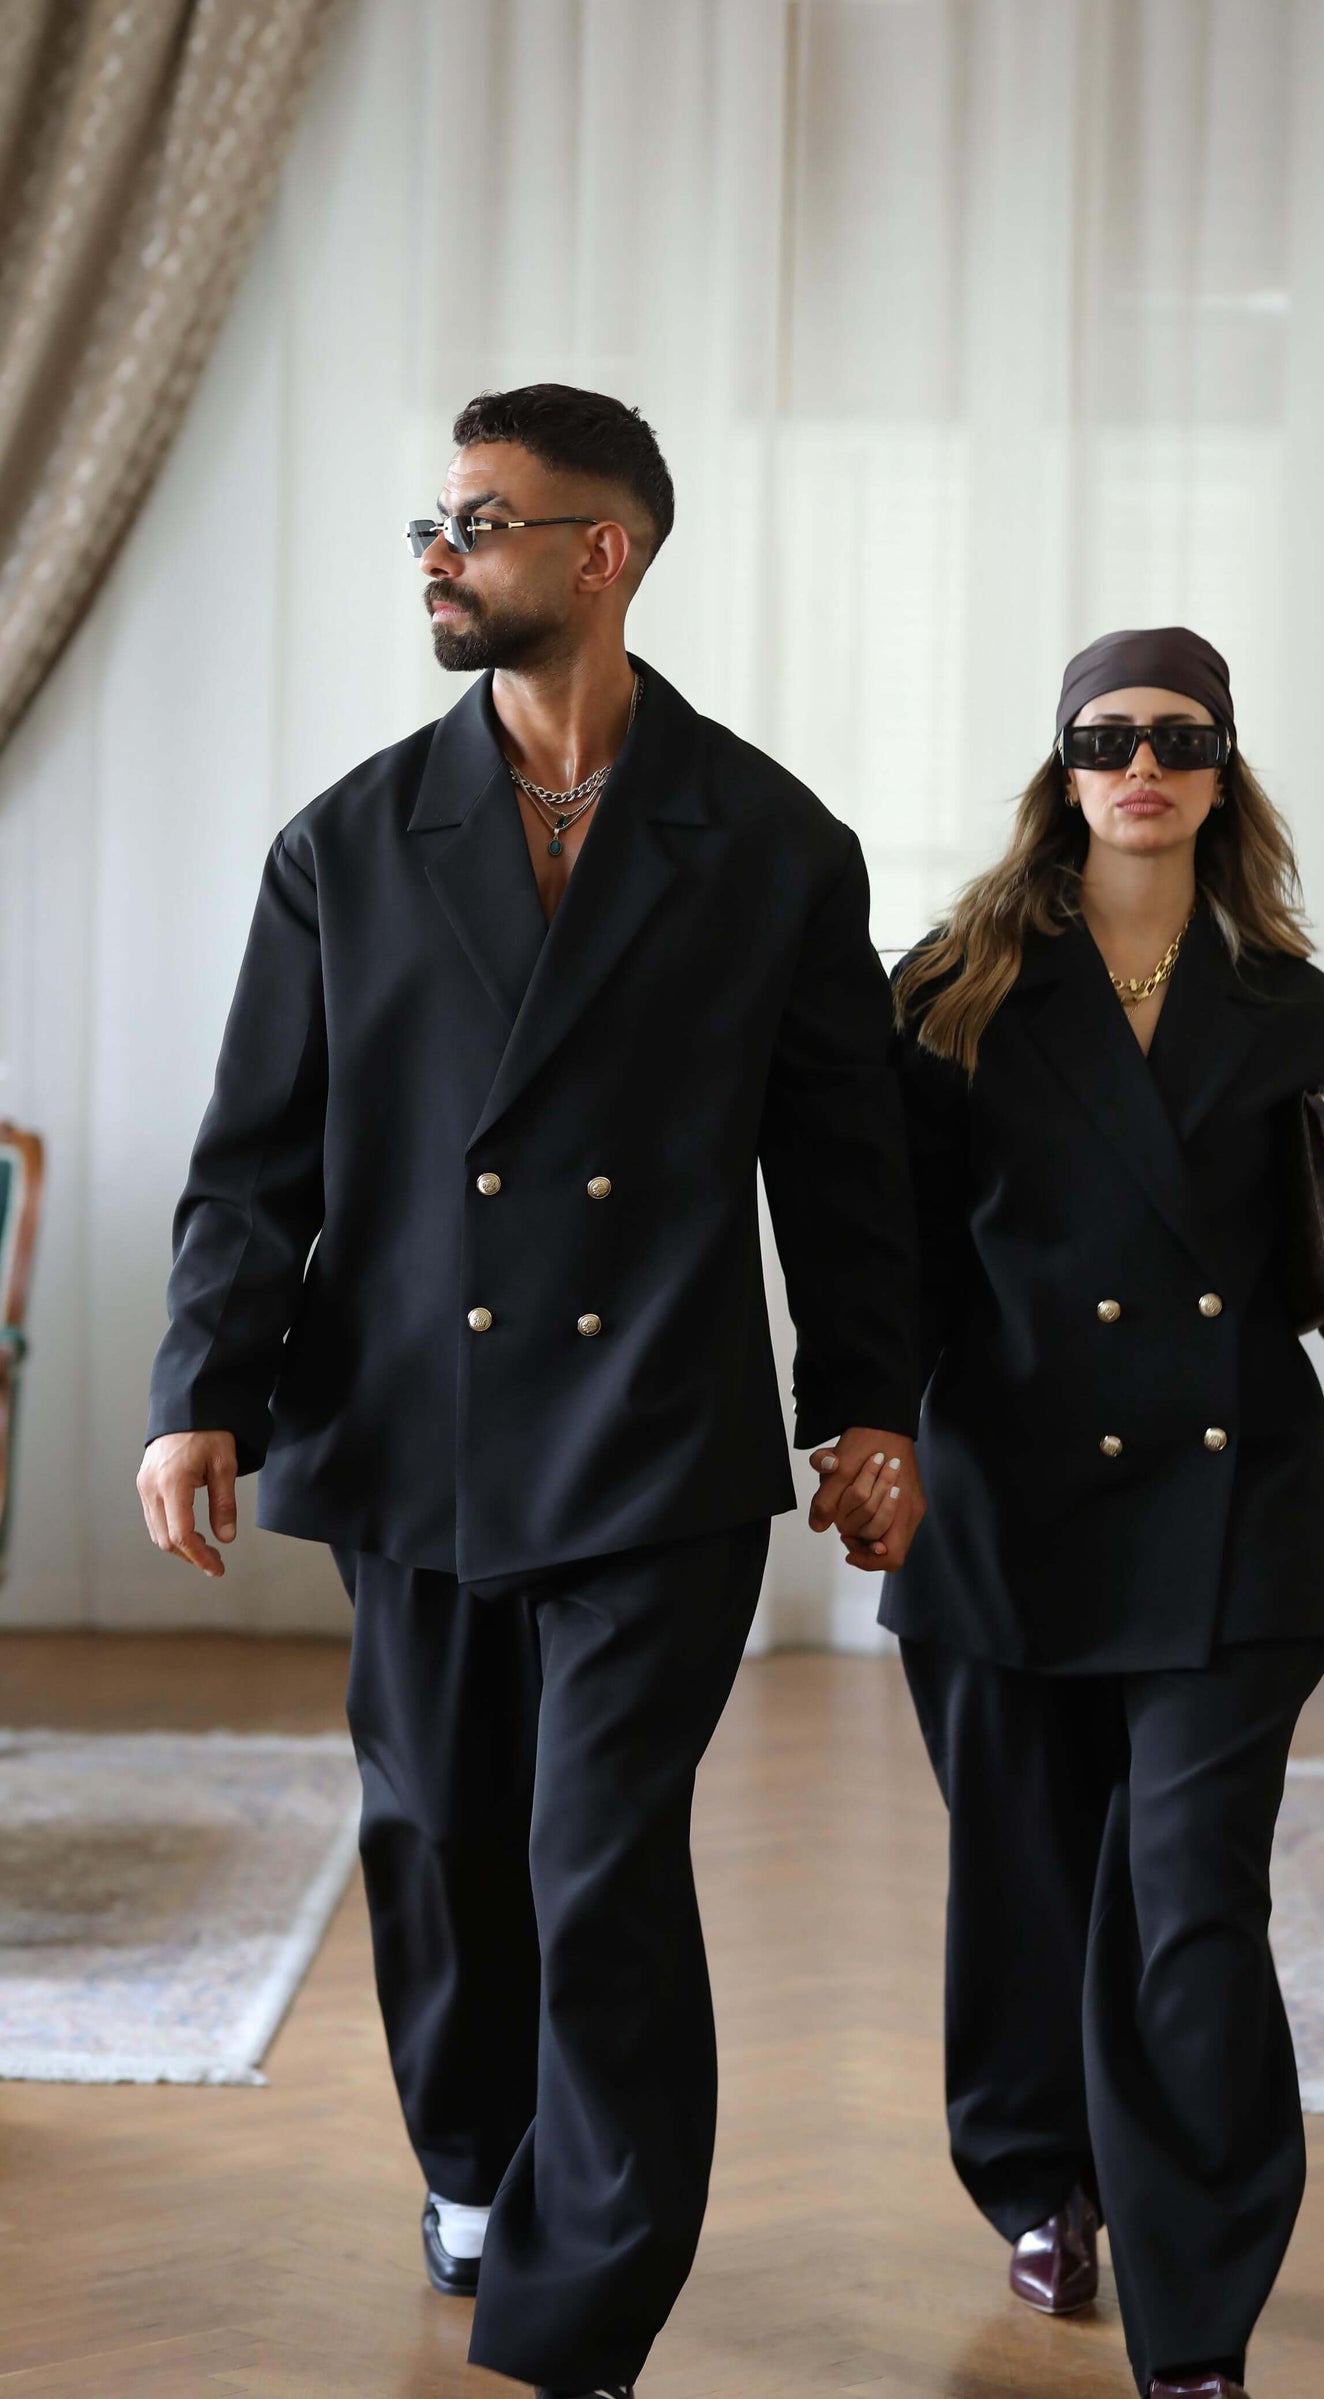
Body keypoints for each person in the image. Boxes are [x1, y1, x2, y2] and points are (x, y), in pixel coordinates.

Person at [137, 383, 924, 2399]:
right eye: (433, 520)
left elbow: (843, 1169)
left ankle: (579, 2314)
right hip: (406, 1428)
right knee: (435, 1837)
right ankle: (474, 2162)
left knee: (601, 1863)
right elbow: (257, 1158)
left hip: (652, 1440)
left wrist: (868, 1408)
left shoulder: (769, 844)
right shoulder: (345, 843)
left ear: (603, 551)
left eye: (478, 522)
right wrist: (200, 1388)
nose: (438, 553)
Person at [867, 626, 1324, 2399]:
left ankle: (1199, 2312)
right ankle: (1042, 2179)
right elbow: (897, 1252)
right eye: (1108, 739)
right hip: (1000, 1499)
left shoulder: (1291, 1003)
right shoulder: (952, 983)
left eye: (1179, 738)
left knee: (1191, 1903)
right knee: (1026, 1881)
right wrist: (867, 1432)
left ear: (1223, 769)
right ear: (1066, 769)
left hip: (1231, 1511)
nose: (1143, 767)